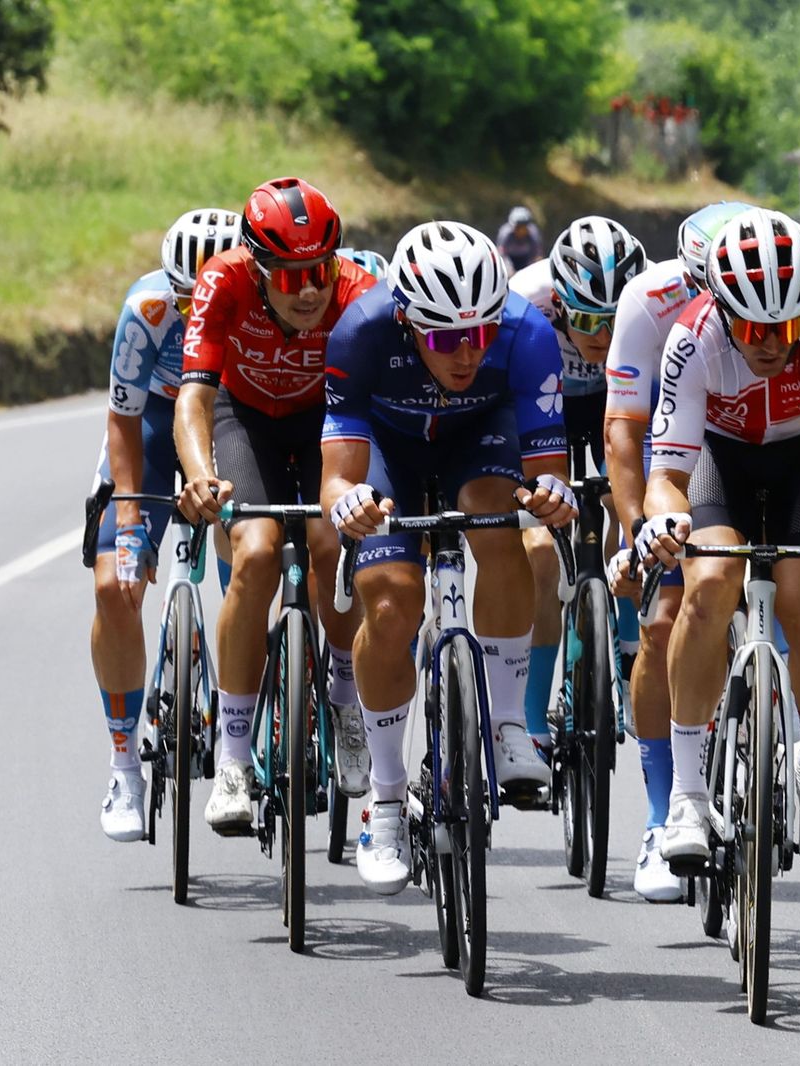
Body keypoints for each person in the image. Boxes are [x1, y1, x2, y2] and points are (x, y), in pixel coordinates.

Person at [637, 207, 800, 872]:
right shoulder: (691, 336)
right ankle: (689, 797)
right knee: (708, 590)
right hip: (720, 461)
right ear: (720, 307)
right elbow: (666, 473)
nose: (770, 342)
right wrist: (664, 520)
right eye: (752, 326)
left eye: (784, 326)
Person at [321, 220, 578, 896]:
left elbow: (548, 469)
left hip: (478, 434)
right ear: (407, 321)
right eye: (443, 338)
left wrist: (552, 495)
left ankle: (505, 724)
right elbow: (337, 476)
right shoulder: (360, 330)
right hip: (389, 444)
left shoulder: (526, 333)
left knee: (503, 526)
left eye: (479, 334)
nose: (465, 354)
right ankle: (383, 799)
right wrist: (347, 502)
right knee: (388, 597)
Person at [173, 177, 379, 835]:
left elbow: (383, 406)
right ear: (258, 269)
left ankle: (346, 707)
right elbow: (194, 400)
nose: (311, 289)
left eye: (319, 270)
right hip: (246, 418)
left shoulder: (358, 293)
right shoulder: (222, 281)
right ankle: (233, 762)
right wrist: (202, 477)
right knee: (256, 553)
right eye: (290, 279)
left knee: (329, 546)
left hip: (327, 420)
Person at [601, 201, 750, 899]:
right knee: (660, 625)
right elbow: (626, 433)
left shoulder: (775, 300)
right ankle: (663, 819)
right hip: (679, 452)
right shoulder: (650, 302)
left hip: (761, 443)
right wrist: (638, 534)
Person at [91, 207, 241, 843]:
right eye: (188, 296)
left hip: (232, 413)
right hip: (154, 418)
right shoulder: (149, 309)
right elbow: (122, 420)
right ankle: (125, 764)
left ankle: (268, 710)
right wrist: (129, 520)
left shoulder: (264, 300)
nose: (197, 308)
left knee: (250, 559)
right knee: (113, 587)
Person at [507, 215, 646, 762]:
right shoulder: (523, 299)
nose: (604, 337)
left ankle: (630, 648)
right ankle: (534, 717)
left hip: (618, 399)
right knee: (542, 550)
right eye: (587, 320)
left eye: (615, 321)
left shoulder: (653, 297)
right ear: (560, 303)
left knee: (624, 508)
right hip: (548, 406)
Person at [496, 205, 544, 273]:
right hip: (509, 259)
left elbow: (537, 255)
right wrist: (509, 270)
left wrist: (532, 270)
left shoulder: (533, 232)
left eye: (523, 227)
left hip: (526, 259)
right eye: (518, 227)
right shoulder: (505, 233)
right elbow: (501, 254)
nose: (521, 231)